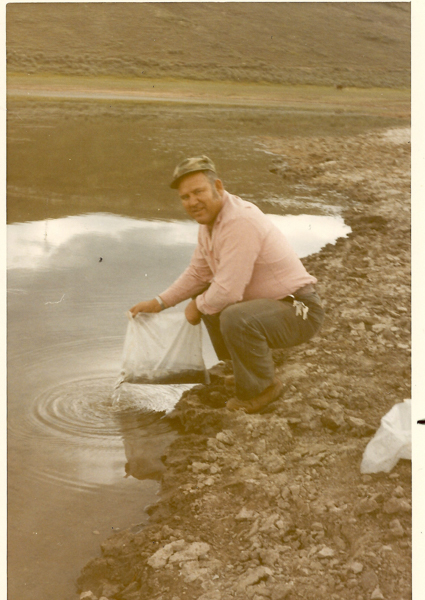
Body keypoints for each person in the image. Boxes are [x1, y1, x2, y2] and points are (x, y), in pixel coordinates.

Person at [130, 156, 324, 414]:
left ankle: (262, 388)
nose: (192, 202)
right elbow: (198, 273)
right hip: (275, 306)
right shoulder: (210, 222)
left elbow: (229, 291)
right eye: (185, 197)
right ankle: (247, 372)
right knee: (210, 296)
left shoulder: (239, 221)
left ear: (218, 187)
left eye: (198, 192)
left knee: (231, 313)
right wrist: (159, 303)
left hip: (301, 309)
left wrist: (196, 307)